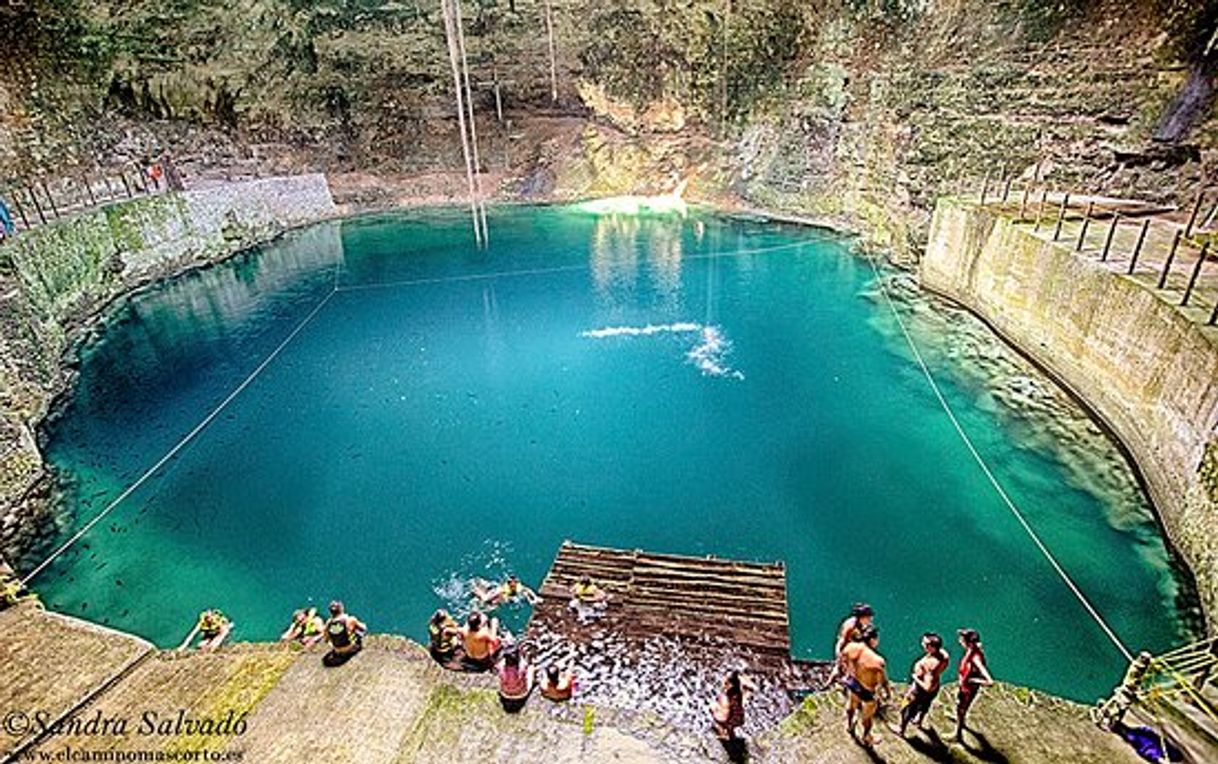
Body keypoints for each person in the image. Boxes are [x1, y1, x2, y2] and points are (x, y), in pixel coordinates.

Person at [890, 632, 950, 737]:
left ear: (931, 647)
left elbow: (927, 687)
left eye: (925, 643)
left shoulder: (929, 665)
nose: (922, 643)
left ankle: (901, 729)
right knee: (925, 705)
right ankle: (919, 721)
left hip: (920, 690)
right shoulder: (944, 655)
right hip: (935, 687)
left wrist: (916, 678)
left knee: (907, 707)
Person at [841, 624, 890, 747]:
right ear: (872, 640)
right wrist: (887, 693)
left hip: (852, 682)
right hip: (866, 690)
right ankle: (866, 737)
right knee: (867, 717)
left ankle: (849, 725)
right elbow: (883, 682)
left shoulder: (849, 647)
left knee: (851, 705)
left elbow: (844, 660)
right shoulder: (877, 661)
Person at [954, 628, 994, 741]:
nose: (959, 641)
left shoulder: (975, 658)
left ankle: (958, 734)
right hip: (965, 687)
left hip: (968, 690)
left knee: (961, 709)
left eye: (962, 639)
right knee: (960, 707)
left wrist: (971, 680)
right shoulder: (973, 649)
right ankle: (960, 720)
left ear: (968, 642)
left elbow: (990, 681)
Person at [828, 603, 875, 686]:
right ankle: (830, 683)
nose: (870, 619)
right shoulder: (850, 626)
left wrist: (870, 638)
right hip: (847, 649)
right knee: (841, 669)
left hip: (859, 650)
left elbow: (873, 644)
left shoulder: (868, 627)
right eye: (868, 617)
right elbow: (841, 642)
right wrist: (839, 657)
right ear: (861, 617)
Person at [710, 671, 755, 741]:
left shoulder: (728, 694)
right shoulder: (739, 690)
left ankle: (723, 732)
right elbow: (751, 688)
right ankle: (731, 735)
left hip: (729, 715)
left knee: (714, 706)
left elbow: (725, 709)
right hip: (738, 715)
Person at [496, 647, 535, 712]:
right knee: (531, 668)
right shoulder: (523, 665)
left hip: (505, 693)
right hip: (521, 693)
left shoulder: (500, 665)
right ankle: (534, 682)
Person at [474, 574, 539, 608]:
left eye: (515, 583)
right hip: (497, 595)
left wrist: (534, 598)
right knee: (486, 600)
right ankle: (476, 589)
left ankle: (482, 587)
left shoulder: (519, 587)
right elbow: (486, 599)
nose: (514, 585)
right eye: (511, 584)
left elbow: (528, 590)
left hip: (505, 597)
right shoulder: (502, 590)